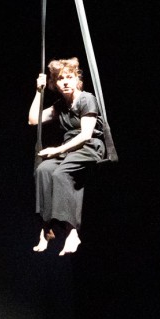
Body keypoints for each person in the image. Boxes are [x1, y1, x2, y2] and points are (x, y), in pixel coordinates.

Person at [28, 57, 106, 256]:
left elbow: (86, 135)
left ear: (77, 79)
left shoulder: (86, 99)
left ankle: (72, 233)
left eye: (69, 77)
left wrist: (56, 151)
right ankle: (46, 228)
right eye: (60, 79)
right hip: (69, 150)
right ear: (55, 84)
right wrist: (39, 91)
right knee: (44, 170)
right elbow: (33, 119)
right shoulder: (60, 105)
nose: (65, 82)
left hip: (89, 147)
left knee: (61, 174)